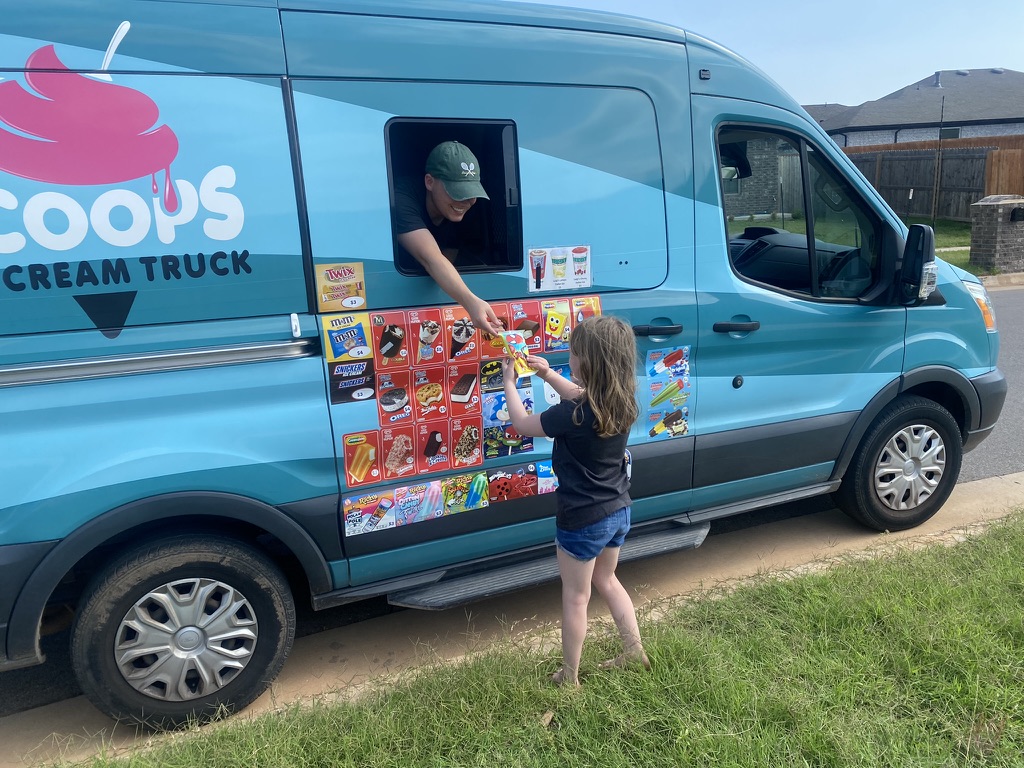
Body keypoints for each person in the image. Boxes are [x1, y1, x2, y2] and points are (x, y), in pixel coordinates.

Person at [502, 314, 649, 687]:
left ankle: (570, 677)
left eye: (573, 353)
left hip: (582, 519)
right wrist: (547, 374)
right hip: (618, 509)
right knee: (608, 579)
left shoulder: (571, 414)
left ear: (589, 363)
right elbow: (579, 395)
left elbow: (522, 424)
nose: (570, 357)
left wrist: (509, 383)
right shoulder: (620, 401)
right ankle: (634, 650)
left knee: (575, 597)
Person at [394, 140, 503, 335]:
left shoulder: (461, 208)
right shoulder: (402, 199)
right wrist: (471, 303)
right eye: (457, 193)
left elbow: (447, 258)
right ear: (429, 182)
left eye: (471, 193)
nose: (466, 201)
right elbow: (432, 259)